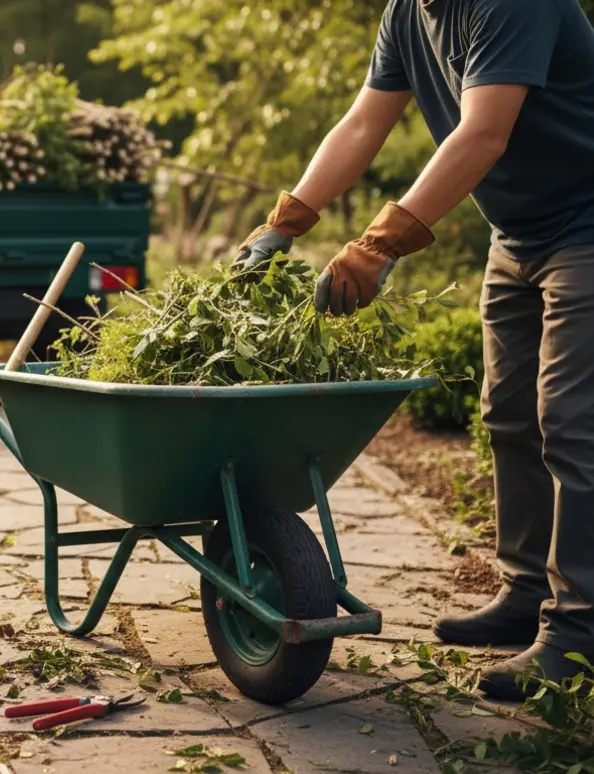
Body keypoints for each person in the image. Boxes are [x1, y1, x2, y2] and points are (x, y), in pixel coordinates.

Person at [234, 0, 594, 701]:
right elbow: (364, 123)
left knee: (575, 426)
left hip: (586, 227)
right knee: (509, 417)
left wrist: (381, 243)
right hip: (517, 236)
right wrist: (287, 221)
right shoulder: (408, 11)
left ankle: (578, 633)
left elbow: (482, 135)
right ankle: (526, 592)